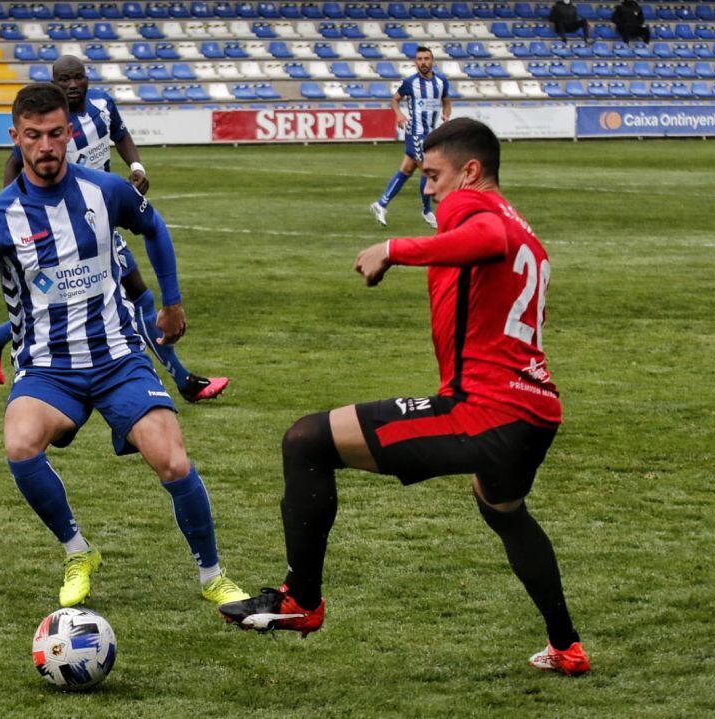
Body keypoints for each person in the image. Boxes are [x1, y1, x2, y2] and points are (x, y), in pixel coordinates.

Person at [222, 119, 590, 678]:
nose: (429, 189)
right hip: (535, 411)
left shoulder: (474, 207)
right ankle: (566, 646)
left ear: (471, 172)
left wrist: (393, 248)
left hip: (486, 410)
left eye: (435, 175)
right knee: (503, 511)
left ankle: (301, 599)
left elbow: (488, 239)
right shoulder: (523, 226)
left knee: (307, 440)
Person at [0, 83, 249, 611]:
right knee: (20, 444)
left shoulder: (104, 190)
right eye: (33, 136)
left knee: (173, 461)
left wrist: (172, 302)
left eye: (54, 134)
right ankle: (78, 550)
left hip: (118, 357)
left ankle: (212, 576)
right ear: (15, 137)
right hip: (48, 368)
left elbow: (154, 227)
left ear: (69, 132)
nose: (45, 146)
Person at [0, 55, 229, 404]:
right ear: (54, 83)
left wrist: (136, 166)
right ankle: (181, 381)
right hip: (73, 227)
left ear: (87, 78)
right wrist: (18, 214)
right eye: (64, 80)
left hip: (103, 217)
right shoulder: (53, 126)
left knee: (97, 298)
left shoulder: (103, 107)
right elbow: (14, 163)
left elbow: (121, 135)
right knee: (132, 298)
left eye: (77, 77)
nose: (72, 85)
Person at [369, 47, 451, 230]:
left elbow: (446, 101)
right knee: (428, 171)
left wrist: (446, 115)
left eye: (426, 58)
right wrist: (399, 115)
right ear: (416, 62)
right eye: (420, 59)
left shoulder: (441, 81)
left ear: (433, 61)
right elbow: (394, 100)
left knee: (406, 169)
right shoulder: (409, 83)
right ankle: (427, 211)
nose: (423, 62)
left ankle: (381, 204)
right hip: (415, 132)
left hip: (431, 133)